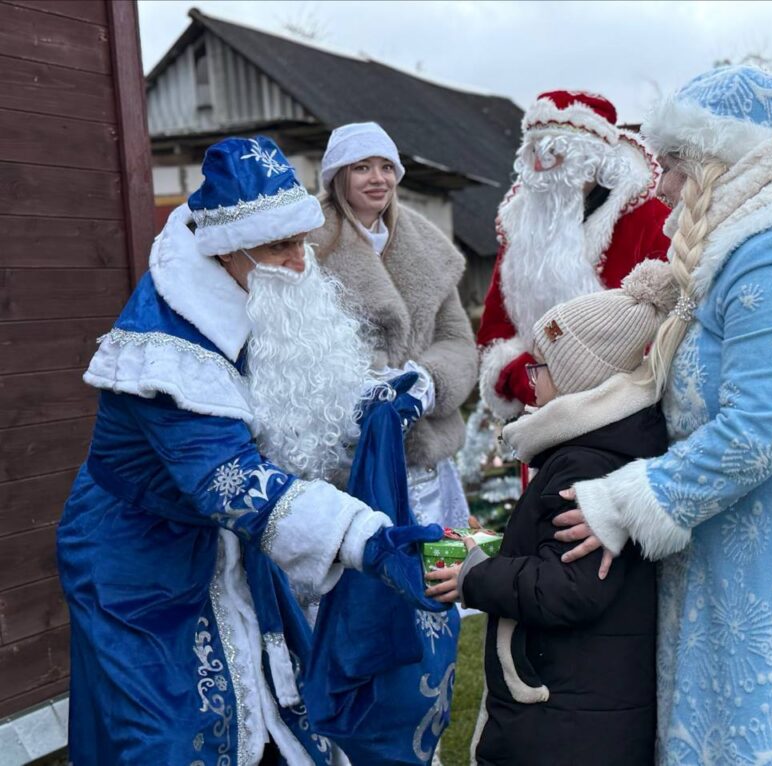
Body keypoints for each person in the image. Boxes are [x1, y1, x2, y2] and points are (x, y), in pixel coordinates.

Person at [552, 66, 772, 764]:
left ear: (726, 160)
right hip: (746, 538)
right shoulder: (750, 252)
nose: (666, 187)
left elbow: (754, 435)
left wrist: (626, 502)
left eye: (680, 165)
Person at [57, 136, 444, 765]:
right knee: (165, 736)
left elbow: (293, 393)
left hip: (221, 543)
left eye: (301, 242)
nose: (298, 261)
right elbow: (230, 481)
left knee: (272, 711)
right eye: (278, 247)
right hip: (136, 561)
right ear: (226, 250)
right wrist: (362, 537)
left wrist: (372, 398)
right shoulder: (165, 351)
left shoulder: (256, 285)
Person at [426, 260, 675, 765]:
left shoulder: (583, 464)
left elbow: (572, 588)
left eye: (541, 367)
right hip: (583, 706)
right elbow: (553, 551)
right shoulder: (605, 447)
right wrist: (496, 546)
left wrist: (476, 575)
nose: (529, 378)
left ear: (577, 376)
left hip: (560, 713)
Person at [309, 122, 478, 532]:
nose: (378, 178)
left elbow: (456, 338)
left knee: (434, 572)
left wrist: (426, 381)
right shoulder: (308, 241)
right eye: (363, 167)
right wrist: (369, 381)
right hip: (348, 455)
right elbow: (298, 338)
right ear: (338, 176)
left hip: (424, 455)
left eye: (387, 167)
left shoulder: (423, 241)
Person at [476, 90, 671, 420]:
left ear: (593, 158)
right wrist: (527, 378)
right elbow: (494, 331)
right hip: (539, 422)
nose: (540, 164)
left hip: (627, 417)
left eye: (554, 151)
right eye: (534, 151)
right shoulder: (522, 225)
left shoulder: (650, 219)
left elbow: (671, 321)